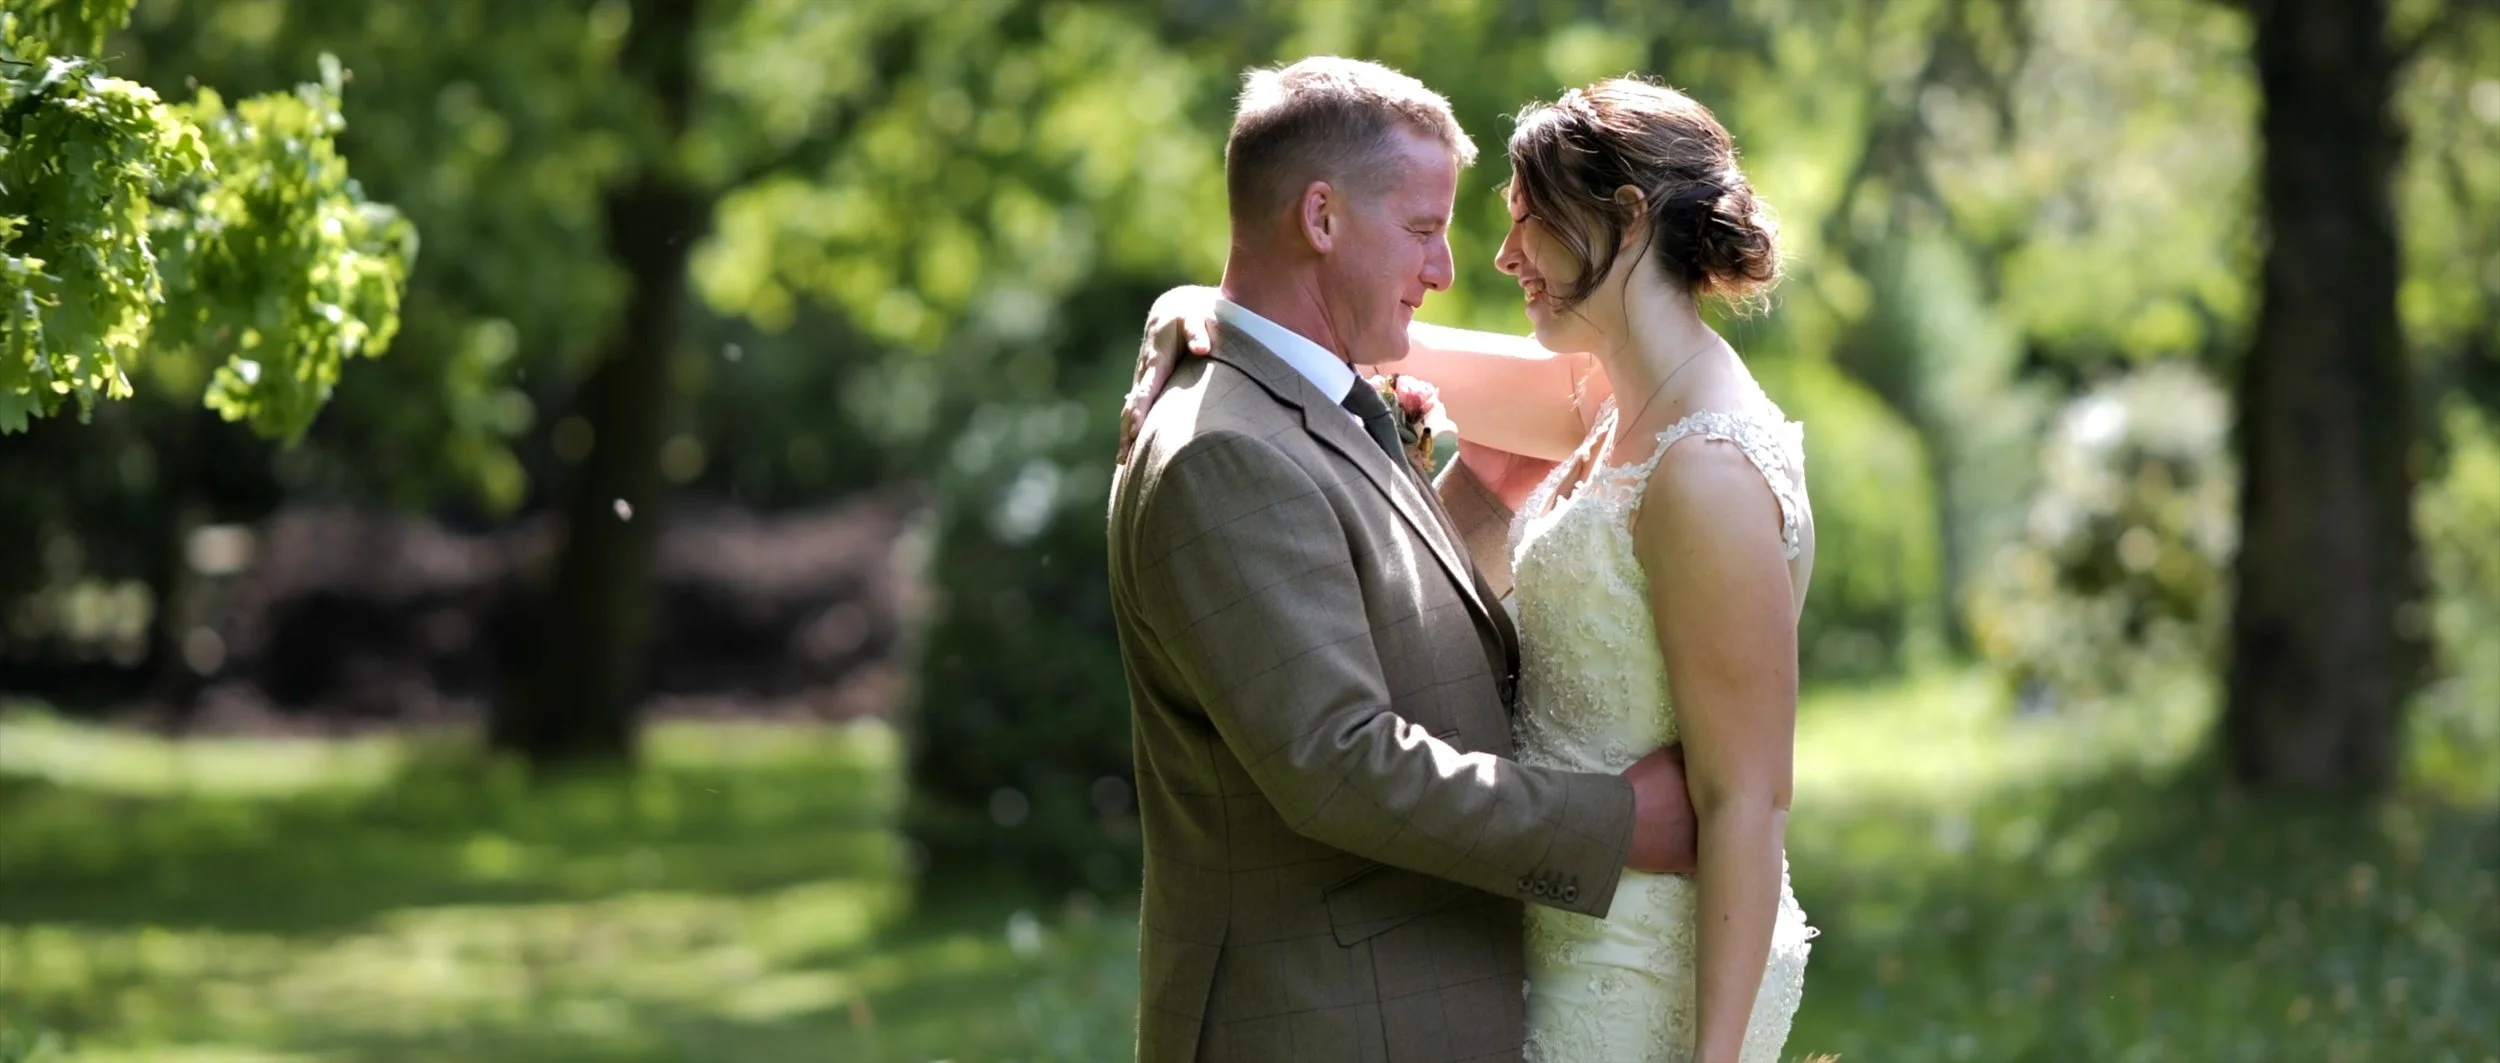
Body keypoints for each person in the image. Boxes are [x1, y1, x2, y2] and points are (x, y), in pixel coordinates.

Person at [1125, 76, 1820, 1063]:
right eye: (1433, 227)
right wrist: (1194, 305)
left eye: (1526, 221)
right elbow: (1317, 346)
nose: (1487, 262)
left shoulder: (1703, 462)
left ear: (1624, 221)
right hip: (1538, 933)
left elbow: (1749, 799)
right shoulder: (1603, 397)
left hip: (1641, 960)